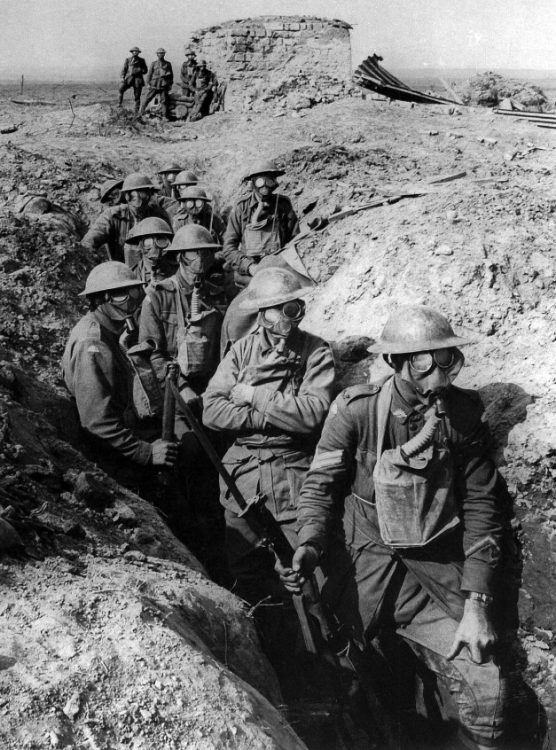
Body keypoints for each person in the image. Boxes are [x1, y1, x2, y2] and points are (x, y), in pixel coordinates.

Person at [286, 305, 509, 750]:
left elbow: (484, 507)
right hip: (360, 575)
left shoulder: (463, 417)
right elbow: (320, 486)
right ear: (396, 363)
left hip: (432, 580)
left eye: (447, 360)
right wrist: (309, 544)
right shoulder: (356, 411)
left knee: (487, 695)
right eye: (423, 362)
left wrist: (476, 601)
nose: (437, 376)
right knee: (346, 694)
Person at [202, 268, 334, 693]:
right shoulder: (240, 351)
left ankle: (325, 678)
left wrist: (254, 396)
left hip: (292, 476)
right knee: (250, 578)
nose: (294, 317)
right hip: (241, 476)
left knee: (306, 583)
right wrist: (271, 415)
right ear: (263, 314)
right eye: (285, 310)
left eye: (298, 309)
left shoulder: (316, 352)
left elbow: (313, 413)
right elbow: (211, 410)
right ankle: (269, 673)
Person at [138, 225, 227, 550]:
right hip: (175, 394)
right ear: (180, 256)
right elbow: (152, 353)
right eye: (194, 252)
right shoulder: (159, 296)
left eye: (207, 251)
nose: (201, 258)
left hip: (214, 390)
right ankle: (191, 534)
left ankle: (219, 530)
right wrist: (183, 388)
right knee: (188, 454)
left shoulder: (218, 293)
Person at [62, 261, 177, 490]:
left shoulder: (113, 331)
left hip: (127, 434)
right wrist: (146, 452)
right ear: (101, 298)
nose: (132, 300)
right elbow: (97, 422)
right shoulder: (93, 344)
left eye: (134, 291)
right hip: (112, 455)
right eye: (120, 294)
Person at [222, 160, 299, 289]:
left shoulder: (283, 205)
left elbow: (295, 239)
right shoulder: (242, 207)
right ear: (252, 183)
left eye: (269, 180)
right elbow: (229, 248)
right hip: (250, 274)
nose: (264, 186)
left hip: (278, 271)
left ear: (275, 183)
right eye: (259, 181)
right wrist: (249, 267)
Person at [82, 173, 170, 263]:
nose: (138, 199)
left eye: (142, 194)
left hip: (154, 270)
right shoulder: (112, 216)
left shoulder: (160, 215)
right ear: (126, 196)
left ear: (150, 194)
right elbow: (90, 241)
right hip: (123, 272)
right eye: (132, 195)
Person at [124, 216, 174, 284]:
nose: (154, 247)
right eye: (148, 242)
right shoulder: (132, 275)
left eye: (160, 241)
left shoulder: (175, 271)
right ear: (140, 245)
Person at [140, 48, 174, 119]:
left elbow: (171, 76)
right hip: (154, 84)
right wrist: (148, 83)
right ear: (157, 54)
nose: (160, 55)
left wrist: (170, 84)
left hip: (163, 85)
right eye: (159, 53)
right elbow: (149, 74)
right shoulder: (153, 63)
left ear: (164, 54)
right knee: (147, 98)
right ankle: (140, 113)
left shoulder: (168, 64)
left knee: (164, 101)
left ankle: (164, 116)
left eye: (162, 53)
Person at [118, 46, 148, 113]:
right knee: (121, 89)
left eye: (136, 51)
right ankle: (119, 105)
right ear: (132, 52)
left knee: (137, 96)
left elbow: (145, 70)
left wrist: (140, 70)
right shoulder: (128, 59)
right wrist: (122, 77)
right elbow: (124, 69)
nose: (135, 52)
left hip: (138, 80)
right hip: (129, 78)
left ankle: (136, 111)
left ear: (138, 53)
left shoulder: (142, 60)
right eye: (134, 51)